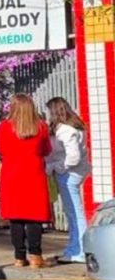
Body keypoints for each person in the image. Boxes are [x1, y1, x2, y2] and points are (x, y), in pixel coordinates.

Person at [0, 93, 52, 268]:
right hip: (34, 174)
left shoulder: (4, 127)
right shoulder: (41, 127)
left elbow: (0, 148)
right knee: (34, 217)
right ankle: (36, 256)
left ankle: (19, 257)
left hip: (12, 174)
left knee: (16, 218)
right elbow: (47, 150)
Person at [45, 97, 91, 264]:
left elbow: (73, 157)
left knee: (74, 213)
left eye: (50, 111)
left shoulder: (66, 130)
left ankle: (78, 250)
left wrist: (55, 167)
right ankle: (74, 247)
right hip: (73, 172)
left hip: (69, 174)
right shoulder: (75, 126)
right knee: (72, 212)